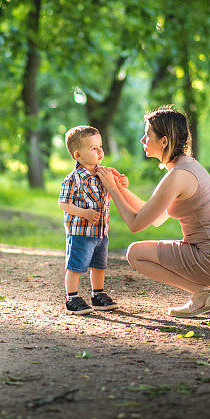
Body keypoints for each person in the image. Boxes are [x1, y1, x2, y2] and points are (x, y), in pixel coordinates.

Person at [96, 106, 210, 317]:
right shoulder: (189, 166)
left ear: (164, 141)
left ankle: (203, 293)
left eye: (147, 135)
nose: (142, 140)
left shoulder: (177, 176)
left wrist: (112, 189)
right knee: (184, 243)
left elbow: (136, 224)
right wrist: (120, 189)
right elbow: (156, 218)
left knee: (135, 253)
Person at [58, 125, 127, 315]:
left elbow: (107, 198)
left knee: (99, 265)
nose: (100, 151)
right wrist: (84, 213)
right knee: (76, 266)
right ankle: (71, 298)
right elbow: (63, 204)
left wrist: (118, 186)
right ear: (78, 155)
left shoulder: (101, 175)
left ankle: (98, 294)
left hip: (100, 232)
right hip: (81, 232)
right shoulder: (72, 179)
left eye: (100, 146)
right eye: (93, 148)